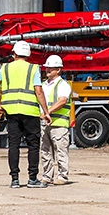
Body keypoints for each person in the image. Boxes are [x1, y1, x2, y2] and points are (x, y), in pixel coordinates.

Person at [0, 40, 49, 188]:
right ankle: (32, 178)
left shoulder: (6, 68)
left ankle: (14, 179)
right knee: (33, 145)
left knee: (13, 145)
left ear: (14, 54)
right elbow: (38, 91)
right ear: (28, 54)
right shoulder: (33, 68)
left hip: (12, 112)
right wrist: (46, 111)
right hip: (30, 112)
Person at [39, 55, 73, 185]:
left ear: (58, 70)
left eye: (50, 68)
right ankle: (47, 176)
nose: (47, 70)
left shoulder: (63, 84)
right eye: (47, 68)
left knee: (61, 151)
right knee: (45, 152)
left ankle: (62, 176)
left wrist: (47, 113)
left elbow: (62, 101)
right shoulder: (43, 85)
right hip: (45, 124)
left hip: (59, 124)